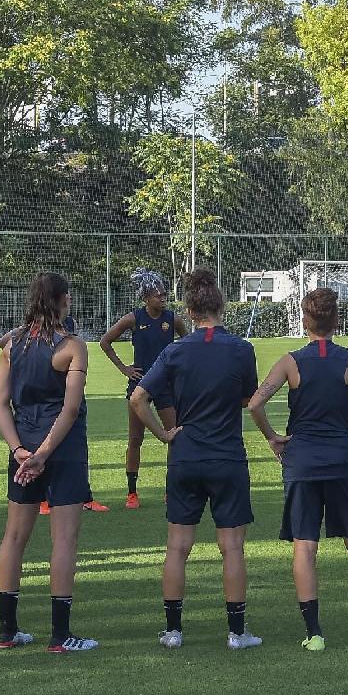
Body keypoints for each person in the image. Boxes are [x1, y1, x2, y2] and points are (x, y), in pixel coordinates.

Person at [248, 288, 348, 650]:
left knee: (305, 546)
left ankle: (314, 634)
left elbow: (255, 403)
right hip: (342, 461)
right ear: (337, 322)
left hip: (301, 462)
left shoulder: (290, 360)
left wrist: (273, 437)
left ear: (304, 320)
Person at [132, 269, 261, 651]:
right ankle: (237, 633)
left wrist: (163, 434)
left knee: (177, 546)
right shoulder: (241, 349)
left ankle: (173, 631)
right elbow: (248, 400)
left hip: (186, 457)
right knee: (232, 547)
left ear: (188, 311)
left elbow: (138, 398)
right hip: (226, 457)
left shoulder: (174, 350)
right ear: (221, 307)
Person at [0, 273, 98, 653]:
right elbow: (69, 409)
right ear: (63, 299)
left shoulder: (11, 344)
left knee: (14, 537)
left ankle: (7, 631)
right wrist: (42, 454)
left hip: (24, 448)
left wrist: (19, 450)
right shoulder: (73, 347)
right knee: (64, 540)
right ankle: (60, 635)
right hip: (63, 451)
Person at [100, 269, 187, 510]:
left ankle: (171, 490)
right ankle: (132, 493)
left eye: (164, 295)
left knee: (175, 437)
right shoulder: (134, 319)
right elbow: (105, 341)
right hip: (140, 385)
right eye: (158, 295)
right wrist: (124, 369)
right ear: (145, 298)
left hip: (166, 386)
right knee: (135, 438)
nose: (163, 298)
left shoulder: (173, 319)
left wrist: (179, 369)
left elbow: (188, 344)